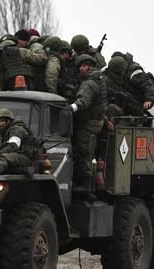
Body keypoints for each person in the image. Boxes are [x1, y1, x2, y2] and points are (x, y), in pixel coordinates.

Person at [68, 54, 107, 194]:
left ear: (90, 67)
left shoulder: (89, 83)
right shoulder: (99, 79)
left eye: (84, 66)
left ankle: (85, 185)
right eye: (81, 66)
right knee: (88, 152)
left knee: (85, 152)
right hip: (95, 122)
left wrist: (72, 107)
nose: (82, 69)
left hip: (88, 123)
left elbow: (84, 100)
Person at [0, 108, 42, 183]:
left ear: (9, 121)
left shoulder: (17, 129)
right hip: (18, 156)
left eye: (2, 120)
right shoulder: (7, 131)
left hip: (26, 156)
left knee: (5, 158)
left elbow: (13, 145)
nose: (0, 123)